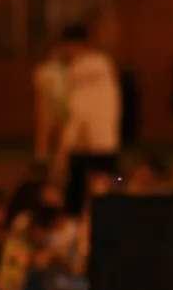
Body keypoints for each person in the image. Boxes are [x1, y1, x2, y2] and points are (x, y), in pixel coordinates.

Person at [52, 23, 122, 214]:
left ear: (73, 44)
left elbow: (79, 112)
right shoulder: (104, 63)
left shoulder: (78, 68)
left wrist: (63, 149)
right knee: (111, 185)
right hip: (106, 141)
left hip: (83, 145)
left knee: (77, 194)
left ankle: (80, 223)